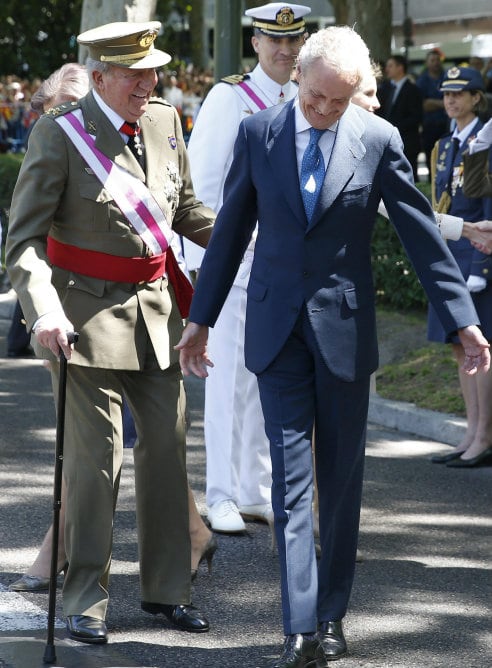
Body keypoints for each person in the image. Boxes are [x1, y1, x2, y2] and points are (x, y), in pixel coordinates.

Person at [176, 26, 490, 667]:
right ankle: (298, 626)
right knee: (292, 486)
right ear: (298, 79)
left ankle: (331, 615)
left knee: (339, 485)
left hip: (345, 336)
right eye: (317, 97)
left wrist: (461, 322)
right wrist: (200, 317)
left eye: (339, 103)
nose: (323, 112)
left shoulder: (377, 140)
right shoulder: (258, 132)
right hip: (276, 332)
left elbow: (419, 234)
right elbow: (231, 228)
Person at [6, 21, 216, 645]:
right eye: (135, 74)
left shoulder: (164, 122)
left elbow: (183, 210)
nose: (148, 84)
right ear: (99, 78)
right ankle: (84, 599)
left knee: (167, 452)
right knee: (95, 465)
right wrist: (43, 309)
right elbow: (23, 240)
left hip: (156, 320)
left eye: (152, 72)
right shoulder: (60, 134)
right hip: (82, 325)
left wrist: (238, 235)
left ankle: (168, 590)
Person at [184, 2, 311, 535]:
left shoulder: (308, 98)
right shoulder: (229, 97)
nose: (284, 51)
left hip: (285, 267)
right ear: (255, 42)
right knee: (227, 379)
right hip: (238, 263)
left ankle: (254, 487)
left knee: (267, 378)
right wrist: (206, 269)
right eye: (273, 41)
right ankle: (219, 493)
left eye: (293, 41)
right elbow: (204, 188)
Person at [427, 66, 492, 469]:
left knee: (481, 350)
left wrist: (483, 268)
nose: (451, 100)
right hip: (451, 255)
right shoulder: (445, 144)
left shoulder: (486, 141)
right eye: (447, 94)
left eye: (460, 93)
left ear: (476, 98)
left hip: (476, 256)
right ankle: (471, 431)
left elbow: (488, 212)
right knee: (459, 347)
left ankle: (485, 435)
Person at [376, 55, 423, 181]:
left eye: (391, 66)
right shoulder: (383, 88)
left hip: (407, 141)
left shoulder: (413, 90)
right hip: (385, 141)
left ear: (400, 68)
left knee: (408, 177)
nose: (387, 69)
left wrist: (395, 128)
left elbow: (416, 117)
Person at [416, 48, 449, 181]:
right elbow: (422, 105)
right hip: (429, 126)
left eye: (437, 60)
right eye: (432, 60)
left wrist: (432, 102)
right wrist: (443, 104)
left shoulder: (446, 77)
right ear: (427, 62)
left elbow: (430, 103)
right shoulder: (422, 81)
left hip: (446, 126)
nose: (435, 63)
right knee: (432, 158)